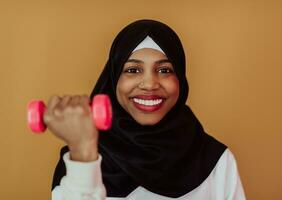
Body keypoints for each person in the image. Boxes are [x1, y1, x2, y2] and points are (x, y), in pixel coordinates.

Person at [48, 19, 246, 199]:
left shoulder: (216, 160)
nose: (150, 84)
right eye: (133, 70)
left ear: (181, 80)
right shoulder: (78, 159)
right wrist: (83, 152)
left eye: (164, 70)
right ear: (113, 80)